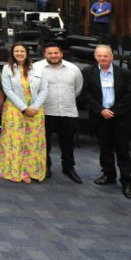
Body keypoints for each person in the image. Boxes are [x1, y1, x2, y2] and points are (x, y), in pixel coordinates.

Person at [81, 45, 131, 198]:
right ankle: (109, 175)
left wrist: (114, 112)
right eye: (99, 55)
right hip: (100, 116)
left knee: (123, 150)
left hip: (120, 117)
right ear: (95, 57)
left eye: (105, 55)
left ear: (112, 57)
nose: (102, 58)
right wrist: (101, 110)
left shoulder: (125, 73)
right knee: (105, 148)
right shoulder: (88, 72)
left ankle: (126, 181)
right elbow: (86, 93)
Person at [0, 43, 48, 183]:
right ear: (12, 53)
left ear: (27, 53)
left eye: (22, 51)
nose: (19, 53)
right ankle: (16, 170)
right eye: (16, 51)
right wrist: (24, 108)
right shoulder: (7, 69)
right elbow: (8, 90)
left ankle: (30, 171)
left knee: (32, 141)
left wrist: (34, 107)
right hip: (15, 109)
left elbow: (44, 89)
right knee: (16, 141)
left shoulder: (37, 68)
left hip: (35, 109)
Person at [34, 43, 83, 182]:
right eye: (50, 53)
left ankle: (68, 168)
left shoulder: (73, 69)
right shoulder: (36, 68)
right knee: (44, 142)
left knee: (67, 143)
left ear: (61, 53)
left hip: (68, 111)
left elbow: (77, 89)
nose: (53, 56)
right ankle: (45, 167)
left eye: (56, 53)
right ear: (44, 54)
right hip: (45, 111)